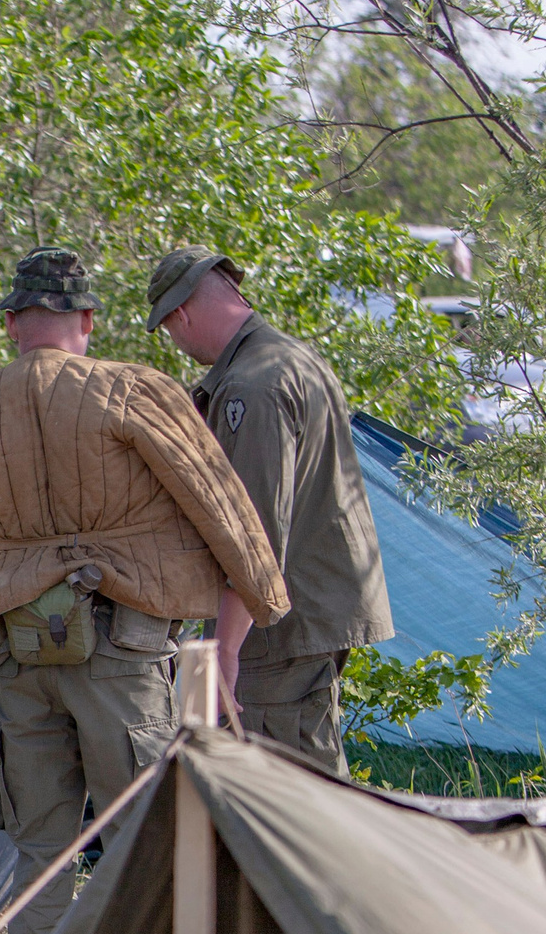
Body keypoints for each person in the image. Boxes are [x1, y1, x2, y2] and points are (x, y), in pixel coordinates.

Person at [0, 247, 289, 934]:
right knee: (141, 824)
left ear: (11, 324)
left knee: (40, 835)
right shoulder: (136, 392)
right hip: (120, 647)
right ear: (88, 320)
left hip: (18, 654)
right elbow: (222, 504)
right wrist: (261, 592)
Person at [149, 248, 393, 773]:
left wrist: (224, 647)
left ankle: (343, 860)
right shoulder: (290, 357)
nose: (179, 344)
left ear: (180, 316)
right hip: (307, 605)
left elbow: (253, 530)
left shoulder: (249, 386)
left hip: (275, 623)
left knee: (291, 787)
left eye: (170, 331)